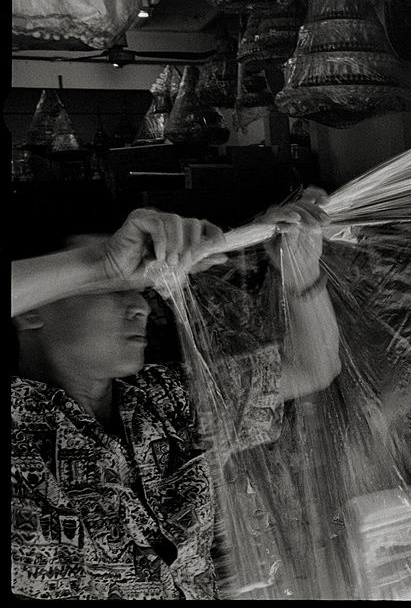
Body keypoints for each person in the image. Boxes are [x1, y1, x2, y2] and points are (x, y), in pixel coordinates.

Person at [10, 187, 342, 599]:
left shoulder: (168, 401)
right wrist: (100, 264)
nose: (142, 307)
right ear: (29, 310)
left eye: (141, 287)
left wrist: (301, 266)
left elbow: (313, 365)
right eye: (111, 289)